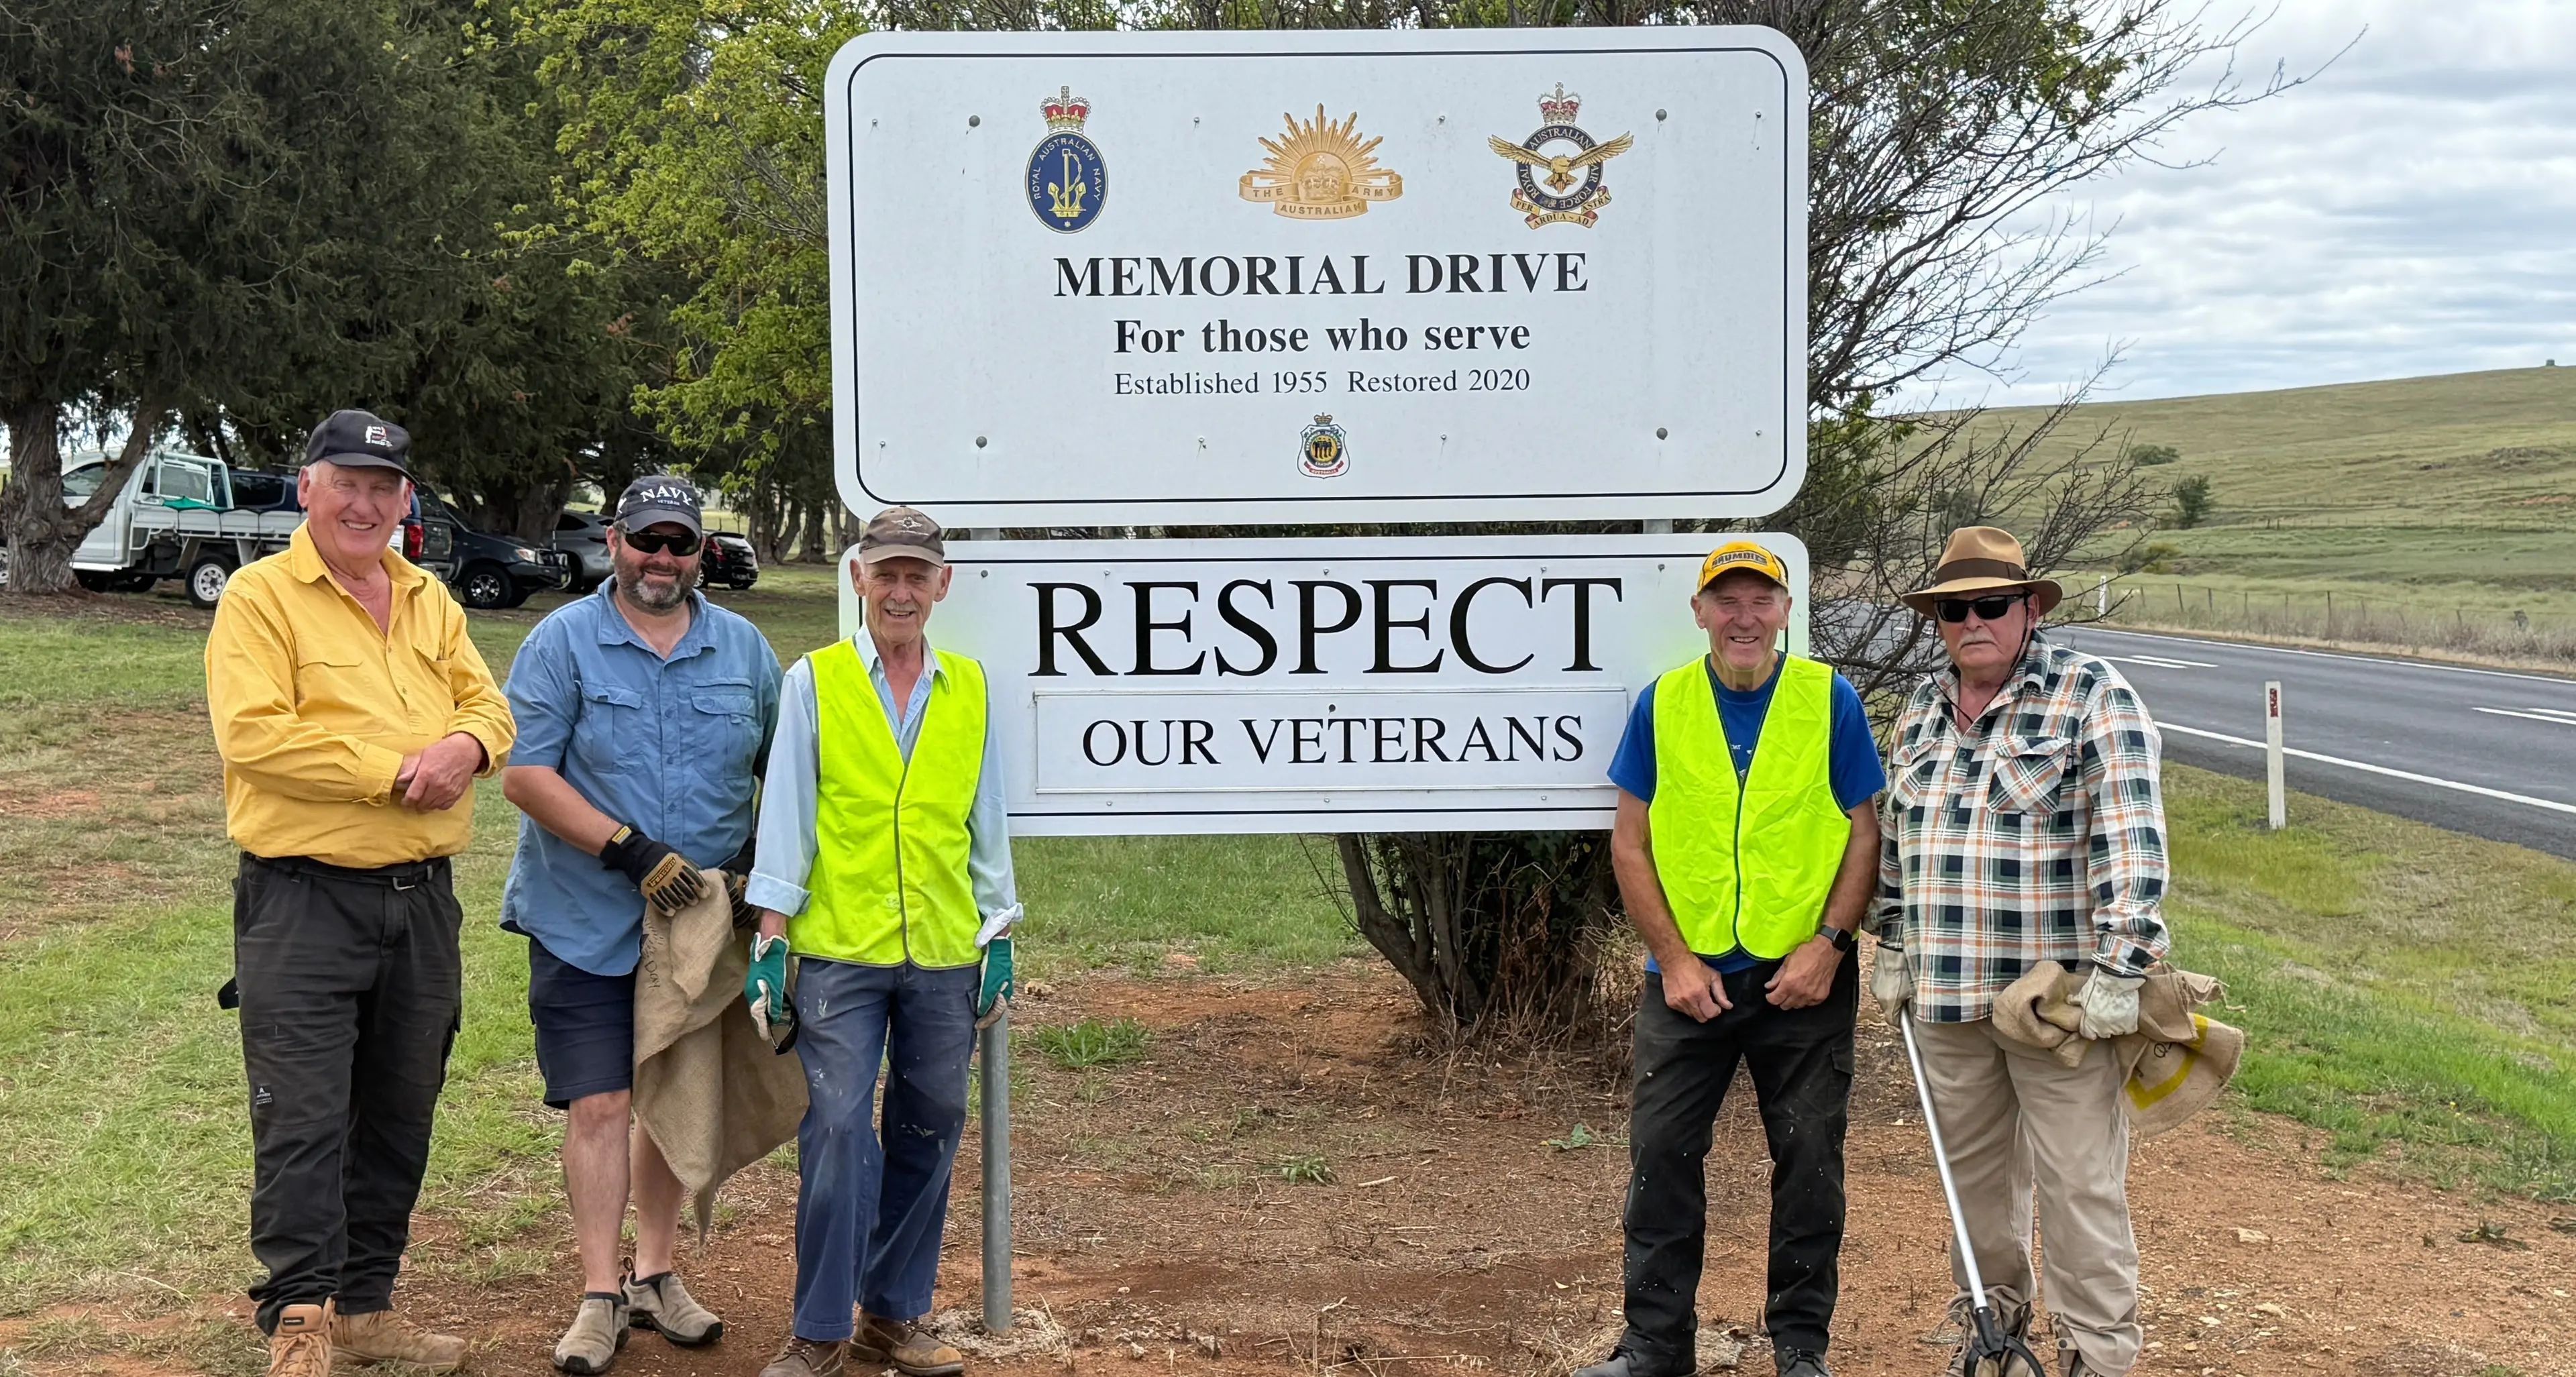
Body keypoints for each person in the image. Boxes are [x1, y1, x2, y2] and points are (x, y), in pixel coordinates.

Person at [204, 410, 516, 1377]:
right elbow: (254, 735)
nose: (365, 502)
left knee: (399, 1107)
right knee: (300, 1113)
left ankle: (369, 1305)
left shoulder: (429, 598)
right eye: (347, 481)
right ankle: (300, 1317)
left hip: (421, 902)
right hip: (304, 899)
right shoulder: (260, 600)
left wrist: (467, 747)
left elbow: (488, 706)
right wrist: (395, 770)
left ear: (404, 499)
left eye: (383, 486)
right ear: (307, 487)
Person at [1576, 541, 1886, 1377]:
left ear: (1786, 611)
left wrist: (1828, 946)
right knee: (1662, 1156)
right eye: (1727, 601)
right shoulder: (1664, 703)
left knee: (1811, 1161)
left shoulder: (1830, 699)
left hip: (1804, 980)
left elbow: (1863, 831)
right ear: (1701, 611)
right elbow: (1630, 841)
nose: (1743, 618)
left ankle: (1799, 1349)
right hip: (1685, 981)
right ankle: (1654, 1344)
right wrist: (1671, 958)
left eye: (1761, 601)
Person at [1870, 527, 2169, 1377]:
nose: (1973, 620)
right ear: (1937, 620)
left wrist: (2124, 965)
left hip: (2058, 1005)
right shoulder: (1923, 711)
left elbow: (2133, 841)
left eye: (1992, 604)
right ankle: (1994, 1336)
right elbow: (1900, 836)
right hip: (1946, 999)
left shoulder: (2090, 695)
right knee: (1974, 1195)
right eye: (1954, 607)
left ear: (2029, 608)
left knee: (2081, 1188)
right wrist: (1891, 939)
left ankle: (2097, 1355)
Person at [498, 477, 783, 1373]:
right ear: (614, 540)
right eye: (647, 541)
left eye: (682, 544)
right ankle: (598, 1294)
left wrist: (750, 871)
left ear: (704, 553)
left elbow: (789, 776)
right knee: (600, 1104)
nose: (663, 559)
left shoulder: (745, 651)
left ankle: (657, 1276)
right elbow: (526, 774)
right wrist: (629, 852)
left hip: (699, 932)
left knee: (666, 1102)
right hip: (583, 917)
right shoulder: (562, 642)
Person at [743, 506, 1020, 1377]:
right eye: (885, 573)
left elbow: (986, 817)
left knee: (931, 1121)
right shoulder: (814, 680)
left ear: (942, 585)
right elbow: (784, 808)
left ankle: (892, 1318)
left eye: (917, 576)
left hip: (942, 947)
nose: (901, 591)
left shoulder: (968, 686)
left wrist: (1000, 928)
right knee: (835, 1130)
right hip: (840, 949)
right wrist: (772, 935)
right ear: (858, 577)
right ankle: (820, 1327)